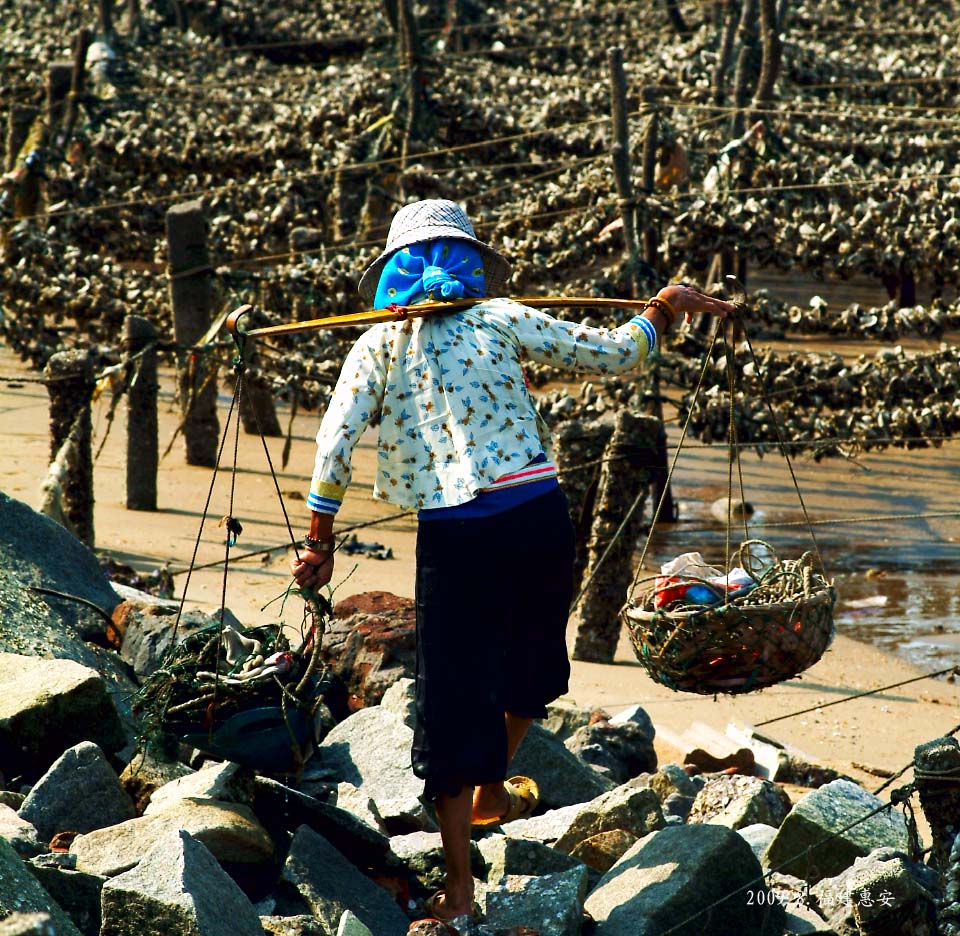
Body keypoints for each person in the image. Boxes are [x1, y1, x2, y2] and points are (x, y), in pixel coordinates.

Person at [291, 199, 734, 925]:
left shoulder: (376, 346)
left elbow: (334, 443)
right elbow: (618, 352)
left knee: (451, 696)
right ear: (467, 263)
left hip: (457, 536)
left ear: (396, 274)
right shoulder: (499, 317)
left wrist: (320, 537)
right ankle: (490, 789)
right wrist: (663, 307)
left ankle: (463, 877)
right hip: (534, 519)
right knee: (533, 667)